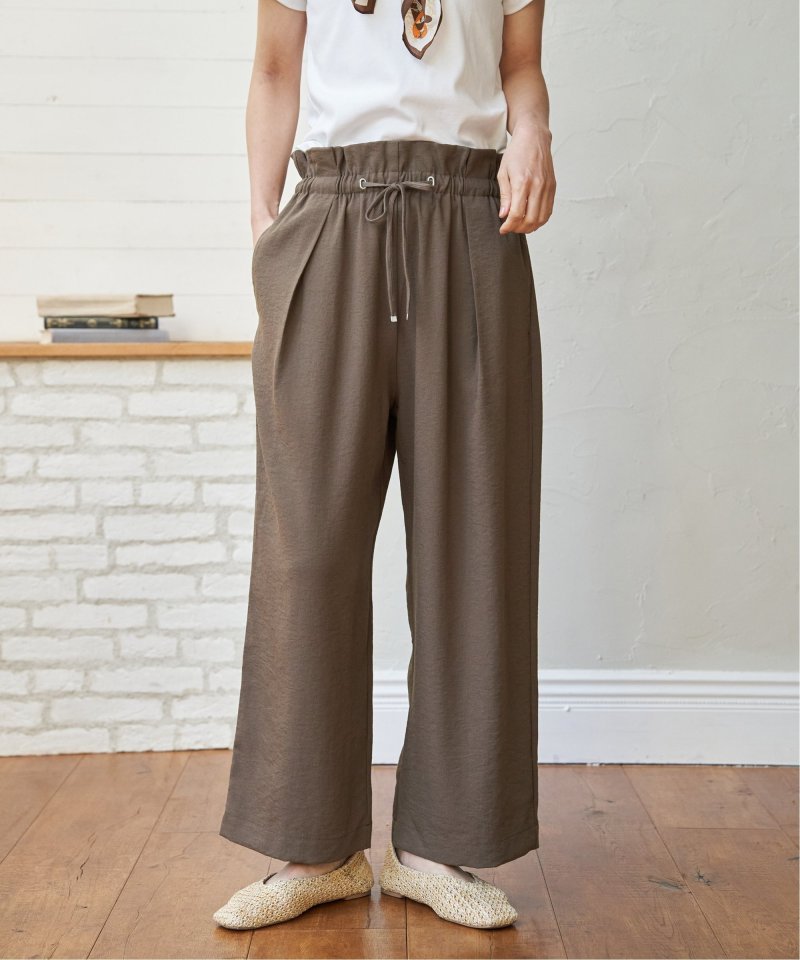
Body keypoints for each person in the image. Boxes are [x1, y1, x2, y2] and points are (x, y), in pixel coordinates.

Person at [214, 0, 555, 932]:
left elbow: (520, 65)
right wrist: (264, 223)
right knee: (308, 550)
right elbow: (275, 70)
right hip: (332, 213)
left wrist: (532, 131)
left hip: (472, 219)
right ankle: (313, 848)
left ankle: (440, 846)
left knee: (474, 539)